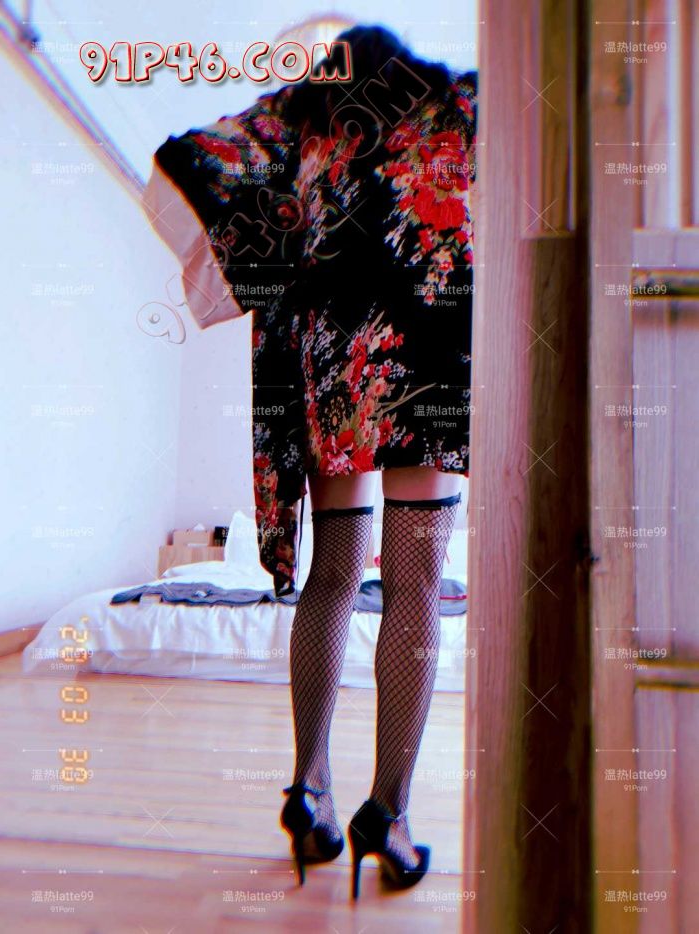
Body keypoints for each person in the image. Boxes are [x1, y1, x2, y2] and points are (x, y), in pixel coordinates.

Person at [144, 23, 477, 898]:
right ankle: (388, 814)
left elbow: (191, 160)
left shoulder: (301, 118)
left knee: (333, 575)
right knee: (416, 579)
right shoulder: (455, 103)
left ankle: (309, 789)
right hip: (425, 357)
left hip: (330, 361)